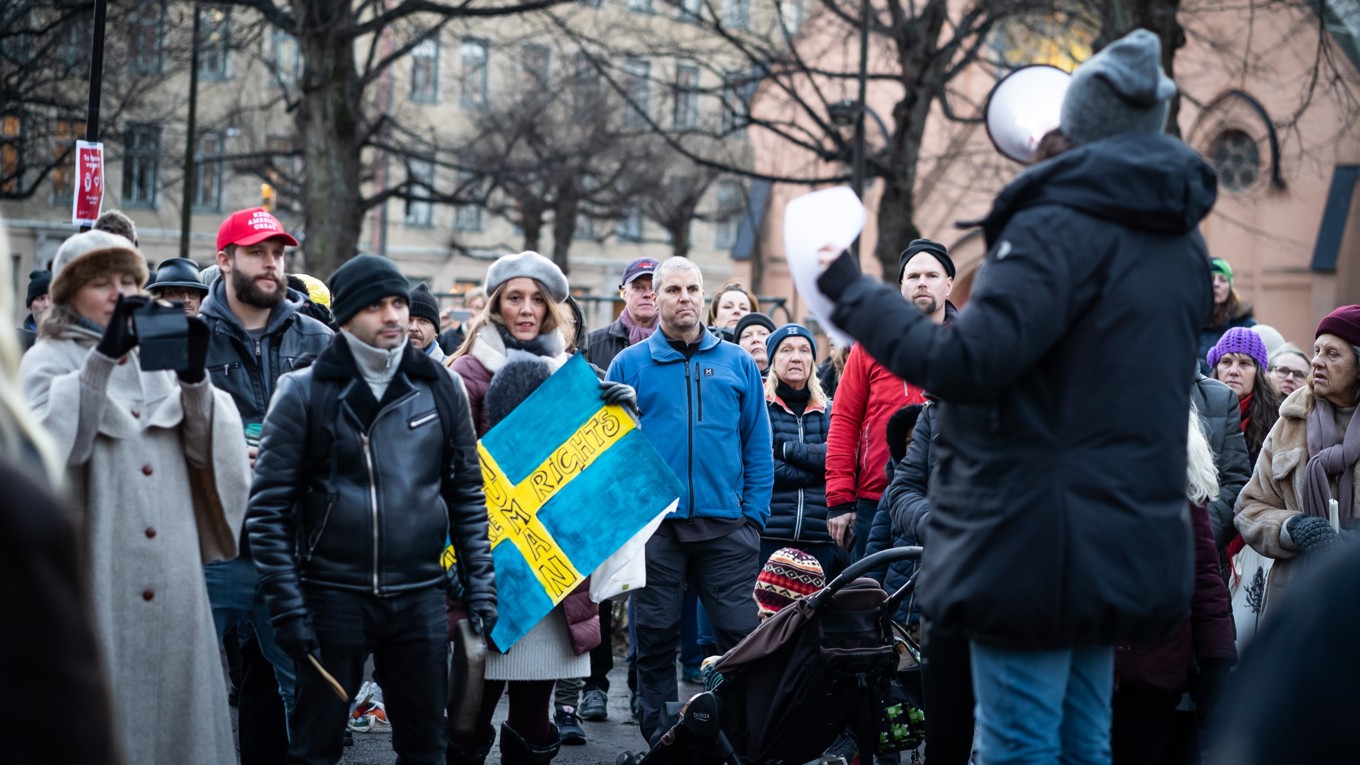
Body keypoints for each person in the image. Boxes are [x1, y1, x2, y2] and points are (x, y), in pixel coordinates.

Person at [814, 30, 1213, 763]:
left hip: (1034, 540)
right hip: (1119, 539)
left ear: (1076, 127)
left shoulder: (1056, 224)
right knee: (1082, 739)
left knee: (1018, 743)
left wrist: (849, 293)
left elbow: (966, 362)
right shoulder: (1180, 242)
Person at [247, 255, 497, 765]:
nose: (393, 315)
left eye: (399, 303)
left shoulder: (440, 386)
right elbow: (268, 510)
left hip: (419, 595)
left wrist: (480, 582)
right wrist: (287, 604)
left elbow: (467, 495)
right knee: (315, 747)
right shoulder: (304, 391)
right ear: (344, 317)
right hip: (331, 595)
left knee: (426, 748)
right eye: (375, 305)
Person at [20, 229, 250, 764]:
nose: (119, 294)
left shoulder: (158, 356)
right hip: (94, 569)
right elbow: (42, 462)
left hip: (173, 576)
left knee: (178, 726)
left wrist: (195, 382)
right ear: (69, 294)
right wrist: (100, 362)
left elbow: (210, 455)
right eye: (101, 283)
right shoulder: (46, 360)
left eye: (128, 281)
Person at [446, 250, 627, 764]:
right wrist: (456, 559)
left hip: (554, 572)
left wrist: (619, 423)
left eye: (537, 300)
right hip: (487, 572)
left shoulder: (573, 375)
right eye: (514, 298)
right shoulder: (464, 374)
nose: (526, 309)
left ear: (552, 308)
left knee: (534, 715)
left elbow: (596, 481)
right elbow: (447, 476)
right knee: (469, 714)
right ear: (495, 305)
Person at [606, 257, 773, 745]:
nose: (684, 298)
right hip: (657, 530)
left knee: (741, 640)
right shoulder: (629, 365)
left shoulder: (738, 362)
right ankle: (662, 740)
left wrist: (753, 519)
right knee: (655, 638)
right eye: (673, 289)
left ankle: (739, 738)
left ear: (704, 297)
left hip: (727, 529)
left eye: (693, 289)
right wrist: (630, 521)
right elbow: (613, 452)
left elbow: (757, 446)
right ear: (655, 298)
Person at [198, 207, 334, 754]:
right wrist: (224, 453)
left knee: (309, 695)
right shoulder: (188, 341)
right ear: (225, 259)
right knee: (178, 685)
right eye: (257, 252)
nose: (271, 263)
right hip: (214, 547)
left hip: (294, 550)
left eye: (277, 253)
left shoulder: (319, 339)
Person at [1109, 408, 1237, 764]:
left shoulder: (1178, 479)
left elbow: (1203, 573)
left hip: (1152, 670)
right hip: (1086, 665)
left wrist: (1215, 661)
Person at [826, 238, 955, 560]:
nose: (922, 282)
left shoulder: (967, 344)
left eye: (932, 275)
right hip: (874, 501)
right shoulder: (870, 344)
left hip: (948, 503)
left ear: (949, 285)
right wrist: (840, 499)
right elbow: (844, 420)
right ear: (901, 286)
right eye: (913, 276)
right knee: (869, 589)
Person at [1234, 305, 1360, 611]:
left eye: (1332, 354)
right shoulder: (1291, 421)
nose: (1316, 361)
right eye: (1316, 351)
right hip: (1296, 601)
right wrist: (1293, 528)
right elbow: (1248, 509)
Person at [762, 323, 842, 576]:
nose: (796, 357)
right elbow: (762, 467)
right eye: (786, 350)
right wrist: (817, 470)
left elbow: (838, 460)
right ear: (773, 359)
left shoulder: (831, 411)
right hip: (767, 535)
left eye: (804, 350)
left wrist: (786, 450)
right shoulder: (759, 409)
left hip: (819, 537)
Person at [1208, 326, 1282, 465]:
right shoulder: (1197, 409)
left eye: (1244, 364)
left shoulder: (1277, 420)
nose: (1233, 371)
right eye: (1226, 362)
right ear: (1216, 368)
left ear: (1258, 373)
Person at [1198, 257, 1256, 375]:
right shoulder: (1190, 322)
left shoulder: (1246, 325)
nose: (1216, 284)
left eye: (1223, 280)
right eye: (1211, 279)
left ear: (1230, 286)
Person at [408, 282, 445, 362]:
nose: (414, 328)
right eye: (408, 320)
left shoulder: (450, 368)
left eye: (423, 321)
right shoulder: (383, 365)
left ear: (436, 332)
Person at [19, 268, 51, 350]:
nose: (47, 304)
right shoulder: (19, 341)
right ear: (30, 305)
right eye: (41, 298)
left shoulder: (69, 340)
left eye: (51, 298)